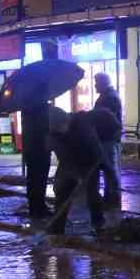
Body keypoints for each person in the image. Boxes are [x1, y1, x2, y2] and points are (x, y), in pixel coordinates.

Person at [46, 106, 106, 236]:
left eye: (62, 126)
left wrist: (97, 164)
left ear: (66, 121)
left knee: (92, 194)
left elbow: (96, 149)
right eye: (57, 128)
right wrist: (75, 174)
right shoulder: (54, 135)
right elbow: (63, 156)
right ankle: (57, 227)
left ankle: (98, 224)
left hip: (90, 162)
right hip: (68, 163)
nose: (61, 130)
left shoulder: (82, 125)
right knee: (62, 192)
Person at [92, 72, 123, 211]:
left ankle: (112, 197)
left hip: (107, 138)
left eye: (96, 82)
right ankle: (111, 196)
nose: (94, 85)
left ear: (103, 83)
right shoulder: (109, 96)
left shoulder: (108, 98)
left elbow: (104, 119)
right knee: (109, 168)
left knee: (109, 168)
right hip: (108, 138)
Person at [21, 97, 52, 217]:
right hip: (40, 148)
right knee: (40, 179)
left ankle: (35, 207)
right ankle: (39, 208)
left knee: (33, 179)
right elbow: (45, 128)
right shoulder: (42, 109)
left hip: (31, 149)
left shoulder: (26, 107)